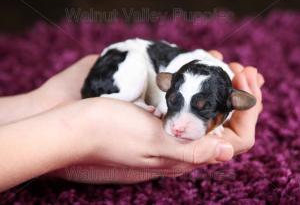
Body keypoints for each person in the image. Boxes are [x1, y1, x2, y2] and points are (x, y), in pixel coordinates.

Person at [0, 51, 264, 192]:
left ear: (234, 102)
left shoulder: (224, 92)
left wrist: (38, 105)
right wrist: (81, 134)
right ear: (169, 89)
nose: (179, 125)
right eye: (173, 102)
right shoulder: (166, 76)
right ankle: (119, 98)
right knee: (136, 84)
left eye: (203, 111)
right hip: (120, 64)